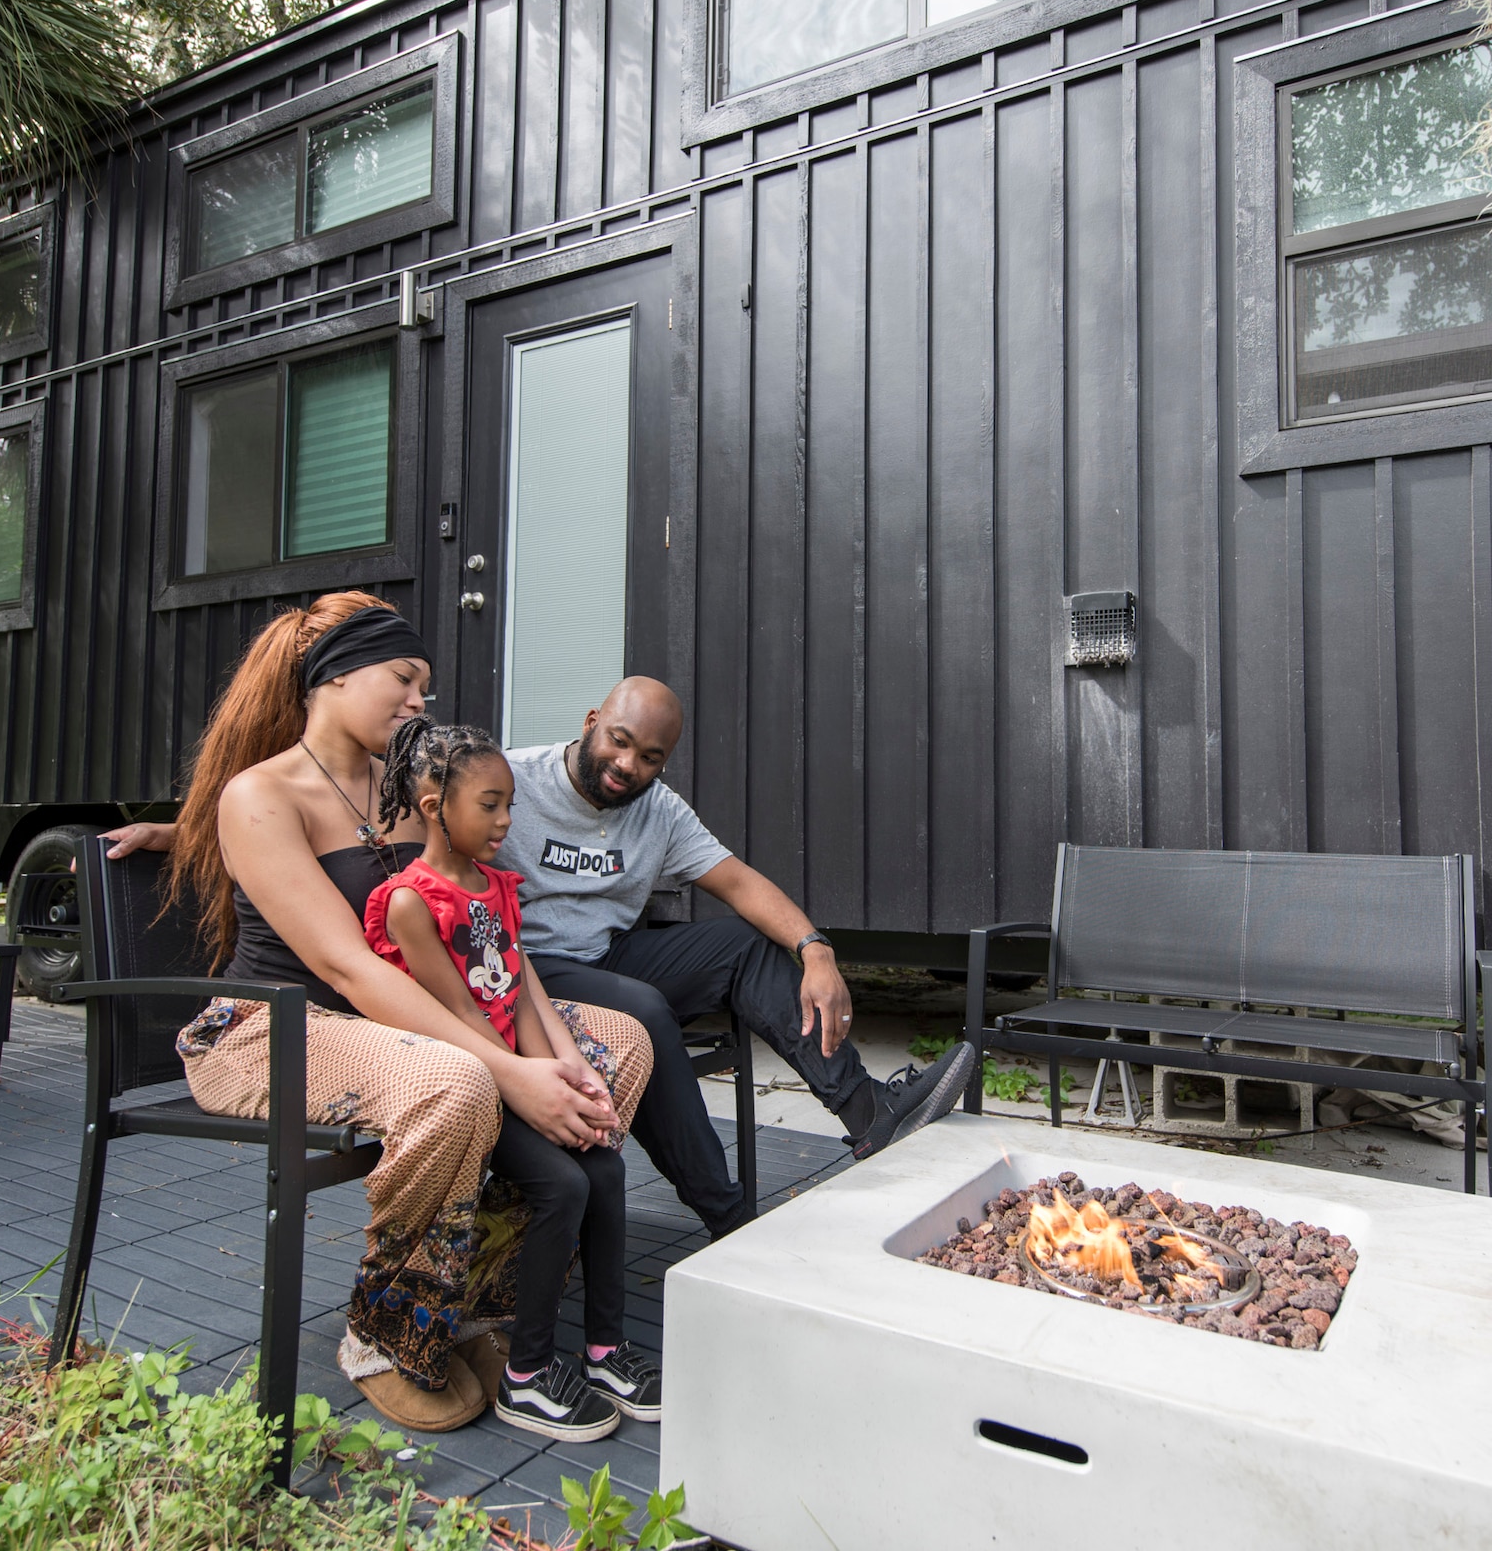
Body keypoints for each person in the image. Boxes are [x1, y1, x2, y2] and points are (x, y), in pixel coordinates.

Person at [155, 592, 650, 1434]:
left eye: (424, 684)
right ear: (336, 675)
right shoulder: (261, 794)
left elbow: (489, 925)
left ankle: (480, 1296)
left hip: (393, 1023)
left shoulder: (410, 791)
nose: (421, 700)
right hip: (270, 1029)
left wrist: (557, 1055)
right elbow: (345, 965)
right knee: (455, 1082)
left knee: (621, 1042)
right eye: (404, 678)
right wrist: (511, 1075)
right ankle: (387, 1328)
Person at [500, 678, 977, 1237]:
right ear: (590, 723)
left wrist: (816, 949)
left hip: (606, 957)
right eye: (618, 740)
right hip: (527, 974)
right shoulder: (511, 781)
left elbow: (739, 882)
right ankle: (728, 1218)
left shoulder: (658, 810)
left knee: (745, 945)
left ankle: (869, 1111)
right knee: (644, 1012)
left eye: (650, 757)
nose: (627, 764)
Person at [366, 716, 658, 1441]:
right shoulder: (411, 902)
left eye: (509, 804)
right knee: (562, 1185)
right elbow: (463, 1014)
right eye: (490, 805)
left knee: (606, 1167)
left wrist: (574, 1073)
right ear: (435, 808)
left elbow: (523, 996)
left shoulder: (497, 886)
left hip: (514, 1074)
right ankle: (526, 1375)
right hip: (465, 1084)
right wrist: (530, 1085)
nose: (505, 820)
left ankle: (603, 1350)